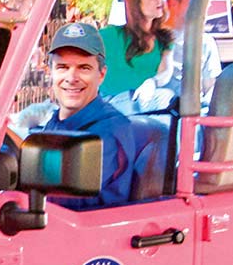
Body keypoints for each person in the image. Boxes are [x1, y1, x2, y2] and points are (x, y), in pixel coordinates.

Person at [31, 22, 156, 210]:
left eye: (84, 68)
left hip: (87, 234)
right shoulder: (56, 123)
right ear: (51, 73)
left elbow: (64, 202)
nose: (71, 78)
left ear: (101, 75)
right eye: (63, 67)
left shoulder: (110, 130)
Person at [96, 0, 171, 113]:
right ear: (136, 4)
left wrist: (153, 82)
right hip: (112, 103)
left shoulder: (164, 39)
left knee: (167, 97)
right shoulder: (110, 35)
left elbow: (165, 72)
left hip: (145, 104)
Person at [158, 0, 221, 106]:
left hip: (195, 111)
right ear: (173, 3)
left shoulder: (206, 42)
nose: (201, 7)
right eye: (193, 2)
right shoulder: (153, 38)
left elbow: (210, 86)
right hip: (161, 107)